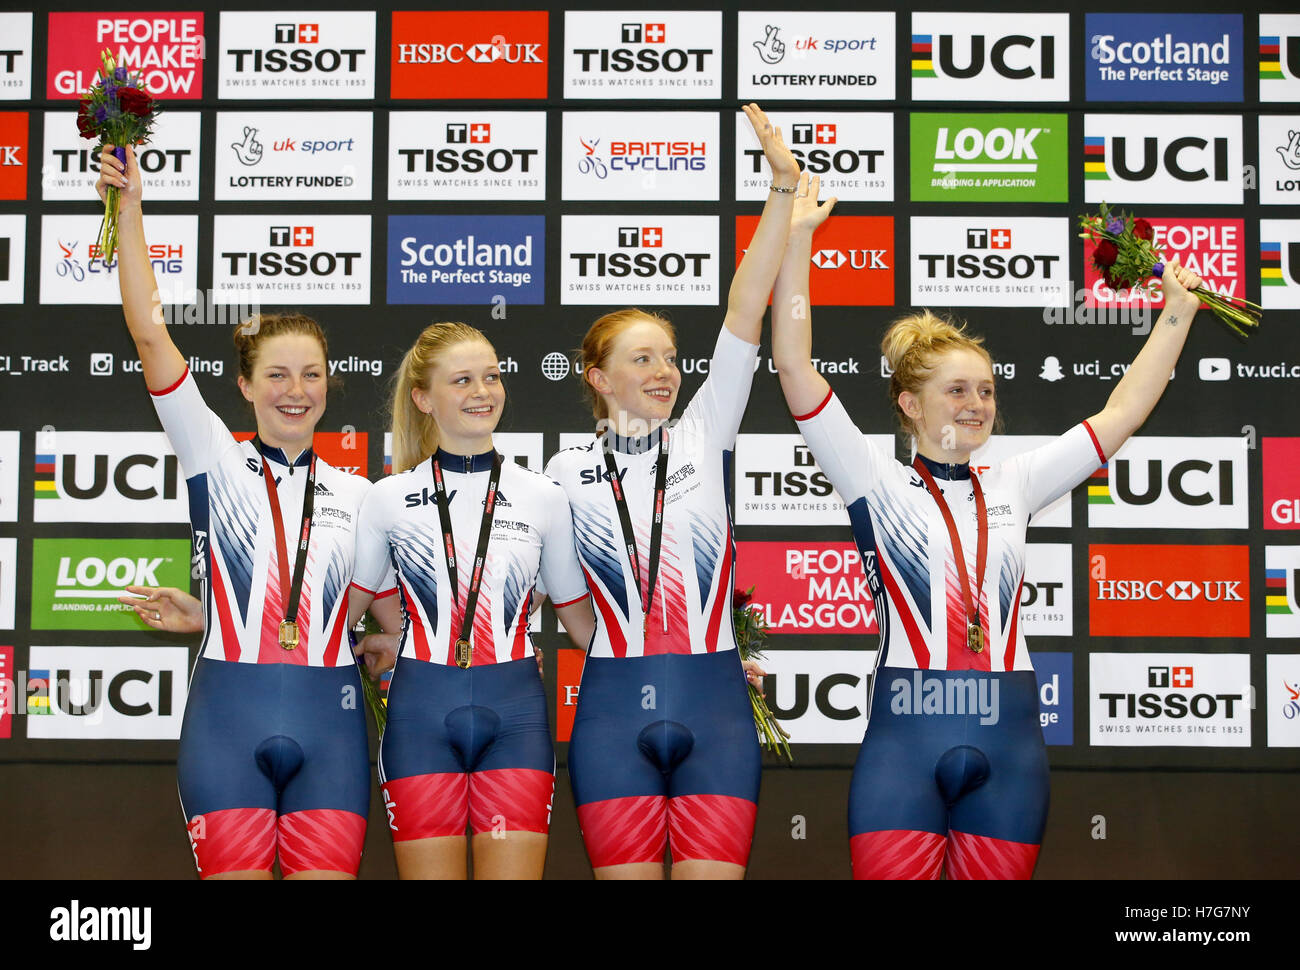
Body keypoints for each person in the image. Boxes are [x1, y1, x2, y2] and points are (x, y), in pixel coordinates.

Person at [771, 172, 1207, 879]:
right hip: (904, 741)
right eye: (957, 390)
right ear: (911, 405)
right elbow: (792, 365)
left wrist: (1178, 313)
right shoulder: (871, 479)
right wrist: (796, 243)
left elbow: (1119, 415)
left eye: (986, 390)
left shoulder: (1017, 481)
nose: (977, 404)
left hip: (1008, 741)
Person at [97, 145, 398, 880]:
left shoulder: (365, 496)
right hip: (227, 720)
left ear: (330, 385)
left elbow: (384, 624)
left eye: (311, 375)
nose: (295, 390)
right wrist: (127, 211)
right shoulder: (213, 458)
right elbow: (149, 333)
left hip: (330, 728)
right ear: (244, 385)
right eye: (276, 375)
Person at [543, 104, 799, 880]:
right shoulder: (560, 472)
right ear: (597, 377)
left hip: (714, 704)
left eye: (670, 357)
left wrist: (781, 190)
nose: (665, 372)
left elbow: (745, 312)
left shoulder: (702, 432)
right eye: (642, 358)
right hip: (614, 705)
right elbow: (573, 614)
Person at [347, 322, 596, 880]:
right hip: (419, 716)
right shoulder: (387, 499)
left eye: (492, 376)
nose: (482, 391)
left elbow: (584, 625)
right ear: (423, 398)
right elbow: (336, 611)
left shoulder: (545, 497)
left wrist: (711, 660)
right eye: (462, 380)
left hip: (517, 717)